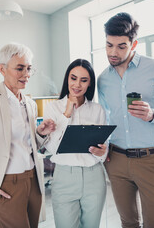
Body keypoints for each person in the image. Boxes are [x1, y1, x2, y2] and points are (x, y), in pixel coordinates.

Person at [97, 12, 154, 228]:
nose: (113, 52)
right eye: (109, 45)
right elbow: (105, 117)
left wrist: (153, 114)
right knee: (128, 222)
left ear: (133, 43)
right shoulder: (103, 79)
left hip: (151, 160)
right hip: (116, 161)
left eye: (121, 46)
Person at [0, 43, 55, 228]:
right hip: (5, 183)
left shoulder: (29, 103)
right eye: (20, 68)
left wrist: (39, 133)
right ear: (2, 69)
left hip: (33, 179)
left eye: (29, 68)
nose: (26, 74)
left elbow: (28, 146)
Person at [37, 59, 108, 228]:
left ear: (90, 84)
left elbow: (103, 151)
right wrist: (67, 113)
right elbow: (53, 148)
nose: (77, 84)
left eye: (84, 80)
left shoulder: (98, 110)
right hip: (64, 177)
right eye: (73, 78)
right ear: (67, 79)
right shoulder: (52, 108)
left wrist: (102, 152)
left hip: (94, 177)